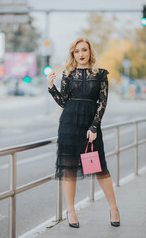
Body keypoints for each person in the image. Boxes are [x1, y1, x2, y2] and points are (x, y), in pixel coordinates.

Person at [46, 38, 120, 228]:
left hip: (90, 127)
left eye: (84, 50)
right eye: (76, 51)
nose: (80, 54)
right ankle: (71, 211)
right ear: (73, 54)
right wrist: (50, 86)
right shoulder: (68, 75)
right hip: (69, 125)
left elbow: (102, 103)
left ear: (89, 52)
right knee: (69, 168)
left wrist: (94, 127)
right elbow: (64, 102)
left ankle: (114, 208)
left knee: (100, 168)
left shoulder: (101, 74)